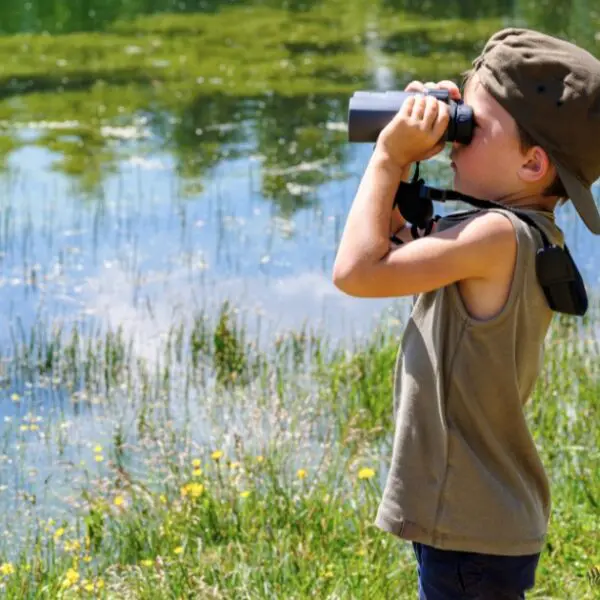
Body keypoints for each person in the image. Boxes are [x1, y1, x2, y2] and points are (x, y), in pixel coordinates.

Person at [332, 28, 600, 599]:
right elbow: (391, 243)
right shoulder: (508, 232)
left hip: (471, 527)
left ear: (532, 163)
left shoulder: (497, 236)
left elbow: (357, 271)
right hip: (475, 521)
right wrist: (407, 166)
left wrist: (388, 155)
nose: (455, 133)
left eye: (470, 124)